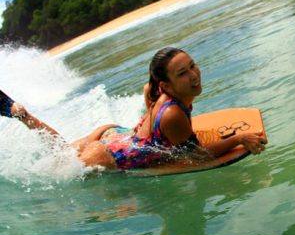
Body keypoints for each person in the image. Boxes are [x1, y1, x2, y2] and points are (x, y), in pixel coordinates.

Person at [0, 47, 267, 170]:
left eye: (192, 65)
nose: (194, 75)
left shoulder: (154, 90)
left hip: (114, 136)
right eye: (182, 73)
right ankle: (20, 114)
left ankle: (23, 115)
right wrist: (239, 138)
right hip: (107, 156)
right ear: (167, 84)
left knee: (59, 152)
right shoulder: (173, 112)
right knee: (57, 169)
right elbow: (197, 156)